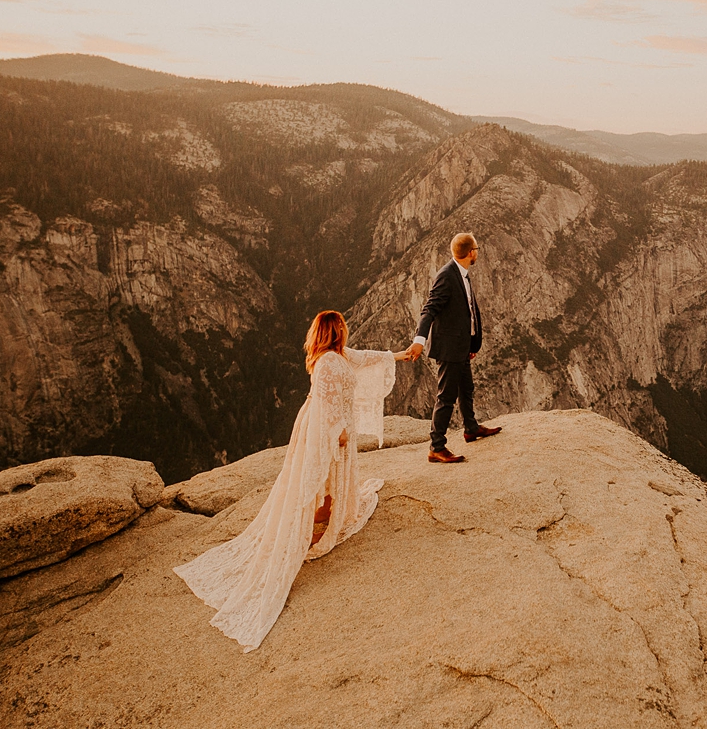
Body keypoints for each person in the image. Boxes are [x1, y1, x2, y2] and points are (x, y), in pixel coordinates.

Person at [174, 311, 410, 652]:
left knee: (330, 476)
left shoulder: (340, 354)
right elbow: (328, 405)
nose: (346, 329)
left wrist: (399, 355)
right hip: (325, 427)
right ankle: (310, 525)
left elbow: (366, 358)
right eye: (341, 326)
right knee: (319, 474)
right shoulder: (328, 362)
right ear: (333, 332)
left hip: (333, 424)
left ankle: (325, 516)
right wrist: (340, 433)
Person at [406, 232, 501, 463]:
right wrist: (419, 340)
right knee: (446, 397)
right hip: (449, 349)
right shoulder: (447, 276)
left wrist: (471, 342)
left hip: (460, 346)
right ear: (471, 253)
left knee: (466, 388)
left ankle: (471, 428)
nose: (478, 252)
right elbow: (429, 309)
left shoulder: (463, 274)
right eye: (477, 249)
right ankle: (436, 447)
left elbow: (467, 312)